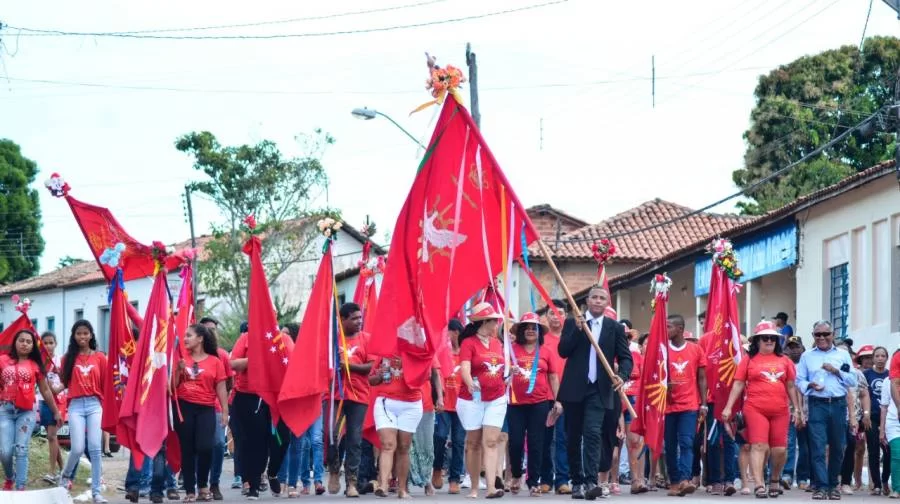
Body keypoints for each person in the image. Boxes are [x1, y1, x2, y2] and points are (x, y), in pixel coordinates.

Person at [557, 287, 632, 500]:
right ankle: (576, 482)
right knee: (573, 436)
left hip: (599, 389)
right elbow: (563, 351)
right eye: (594, 298)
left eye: (602, 298)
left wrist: (622, 375)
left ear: (607, 302)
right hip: (574, 388)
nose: (598, 301)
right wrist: (577, 330)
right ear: (587, 301)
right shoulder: (572, 323)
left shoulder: (614, 327)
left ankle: (591, 481)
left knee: (592, 433)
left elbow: (626, 358)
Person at [721, 321, 802, 498]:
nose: (769, 340)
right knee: (758, 445)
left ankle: (774, 479)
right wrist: (728, 407)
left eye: (772, 337)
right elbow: (738, 384)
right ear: (757, 341)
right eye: (765, 338)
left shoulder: (785, 361)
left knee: (779, 449)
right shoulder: (748, 360)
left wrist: (797, 409)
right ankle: (759, 484)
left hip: (780, 410)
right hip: (755, 408)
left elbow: (791, 386)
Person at [795, 320, 857, 500]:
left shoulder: (843, 355)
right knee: (817, 446)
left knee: (838, 446)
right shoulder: (807, 356)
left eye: (825, 334)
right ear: (813, 336)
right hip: (817, 404)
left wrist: (836, 371)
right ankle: (821, 486)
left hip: (838, 404)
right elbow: (799, 381)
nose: (822, 337)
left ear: (833, 334)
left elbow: (852, 380)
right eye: (818, 334)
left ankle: (833, 485)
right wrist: (810, 385)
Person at [456, 302, 507, 499]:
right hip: (472, 399)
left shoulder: (497, 343)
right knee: (474, 443)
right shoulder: (468, 343)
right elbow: (465, 368)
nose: (497, 324)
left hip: (496, 397)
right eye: (494, 321)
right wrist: (470, 383)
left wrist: (510, 373)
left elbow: (501, 367)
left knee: (491, 441)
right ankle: (475, 487)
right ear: (485, 322)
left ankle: (492, 487)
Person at [173, 324, 229, 502]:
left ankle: (203, 485)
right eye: (185, 336)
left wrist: (225, 411)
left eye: (189, 335)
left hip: (206, 408)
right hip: (184, 407)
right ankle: (190, 490)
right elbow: (172, 387)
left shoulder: (215, 362)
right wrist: (178, 370)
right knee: (187, 449)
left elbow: (221, 388)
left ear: (200, 338)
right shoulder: (182, 359)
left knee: (205, 446)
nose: (185, 339)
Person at [507, 312, 561, 496]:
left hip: (540, 403)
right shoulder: (511, 350)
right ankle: (516, 474)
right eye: (527, 328)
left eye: (534, 328)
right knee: (515, 442)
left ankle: (533, 482)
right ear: (521, 330)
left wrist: (557, 400)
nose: (530, 331)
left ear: (539, 332)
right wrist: (509, 371)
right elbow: (502, 374)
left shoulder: (546, 351)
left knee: (536, 443)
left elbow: (553, 377)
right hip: (515, 403)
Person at [0, 329, 61, 490]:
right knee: (5, 452)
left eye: (29, 341)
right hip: (5, 411)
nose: (25, 344)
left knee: (21, 449)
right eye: (21, 340)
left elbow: (45, 390)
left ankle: (21, 487)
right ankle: (10, 477)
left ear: (33, 346)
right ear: (15, 342)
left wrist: (56, 411)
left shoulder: (35, 365)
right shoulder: (2, 360)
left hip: (26, 412)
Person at [327, 303, 373, 498]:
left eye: (360, 317)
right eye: (354, 318)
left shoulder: (367, 339)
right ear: (342, 320)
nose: (359, 321)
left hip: (359, 395)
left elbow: (369, 367)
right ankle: (334, 469)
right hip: (335, 395)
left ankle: (352, 482)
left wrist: (346, 365)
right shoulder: (332, 340)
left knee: (354, 439)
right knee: (331, 434)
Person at [59, 320, 108, 503]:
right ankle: (65, 476)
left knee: (95, 448)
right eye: (79, 333)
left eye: (86, 333)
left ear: (91, 335)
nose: (82, 336)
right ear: (74, 336)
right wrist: (50, 389)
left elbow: (106, 384)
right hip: (76, 405)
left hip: (95, 404)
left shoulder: (100, 358)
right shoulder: (67, 359)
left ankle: (96, 492)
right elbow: (64, 383)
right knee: (77, 448)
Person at [663, 314, 707, 497]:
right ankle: (674, 482)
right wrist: (664, 386)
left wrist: (704, 404)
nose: (666, 330)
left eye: (669, 326)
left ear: (680, 329)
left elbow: (702, 378)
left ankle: (684, 479)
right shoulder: (663, 350)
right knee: (670, 446)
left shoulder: (696, 349)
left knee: (687, 442)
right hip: (667, 406)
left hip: (689, 405)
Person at [369, 353, 424, 499]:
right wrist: (380, 375)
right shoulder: (384, 353)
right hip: (386, 401)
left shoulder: (416, 351)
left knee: (403, 447)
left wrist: (406, 365)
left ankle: (402, 489)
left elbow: (426, 376)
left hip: (411, 403)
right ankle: (383, 485)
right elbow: (371, 380)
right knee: (387, 445)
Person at [198, 316, 234, 501]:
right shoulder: (193, 355)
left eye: (213, 329)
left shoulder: (223, 355)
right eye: (206, 329)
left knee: (219, 444)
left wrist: (223, 402)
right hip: (197, 407)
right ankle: (201, 484)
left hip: (217, 407)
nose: (210, 332)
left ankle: (215, 483)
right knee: (201, 446)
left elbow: (229, 382)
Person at [540, 300, 571, 495]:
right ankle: (545, 479)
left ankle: (562, 480)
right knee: (544, 439)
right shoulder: (541, 340)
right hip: (544, 395)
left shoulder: (571, 339)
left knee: (563, 439)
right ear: (546, 317)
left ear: (565, 316)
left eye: (559, 312)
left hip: (566, 396)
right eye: (551, 313)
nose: (555, 316)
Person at [433, 319, 465, 495]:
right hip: (445, 403)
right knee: (440, 436)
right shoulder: (442, 351)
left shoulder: (466, 352)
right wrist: (438, 397)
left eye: (449, 332)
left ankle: (454, 479)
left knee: (459, 442)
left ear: (457, 332)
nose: (446, 335)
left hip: (462, 404)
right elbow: (436, 373)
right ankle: (437, 467)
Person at [37, 331, 66, 485]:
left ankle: (52, 472)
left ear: (56, 344)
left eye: (51, 343)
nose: (48, 346)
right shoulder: (39, 361)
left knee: (51, 436)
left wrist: (57, 389)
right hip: (44, 400)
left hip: (59, 400)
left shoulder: (60, 360)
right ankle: (64, 470)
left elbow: (67, 379)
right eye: (45, 343)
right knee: (52, 437)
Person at [782, 336, 809, 490]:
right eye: (790, 347)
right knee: (789, 443)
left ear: (802, 349)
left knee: (805, 446)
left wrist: (801, 411)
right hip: (789, 411)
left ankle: (803, 477)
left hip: (807, 411)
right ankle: (787, 474)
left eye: (796, 347)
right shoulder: (783, 365)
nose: (794, 350)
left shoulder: (807, 365)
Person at [864, 346, 890, 496]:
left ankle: (885, 480)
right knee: (873, 451)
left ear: (887, 358)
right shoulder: (867, 374)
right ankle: (877, 485)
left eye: (883, 356)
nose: (880, 359)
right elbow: (863, 396)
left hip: (888, 419)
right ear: (873, 358)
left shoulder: (891, 375)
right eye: (877, 356)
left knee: (888, 452)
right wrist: (865, 415)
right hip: (871, 418)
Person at [879, 361, 900, 498]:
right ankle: (897, 488)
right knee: (897, 455)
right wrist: (882, 430)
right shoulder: (888, 381)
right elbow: (884, 406)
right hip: (894, 421)